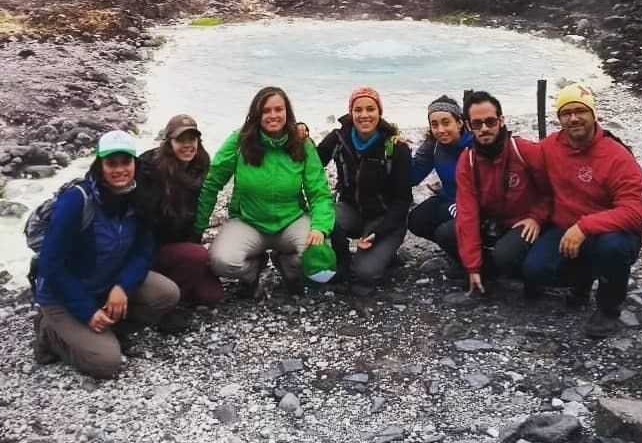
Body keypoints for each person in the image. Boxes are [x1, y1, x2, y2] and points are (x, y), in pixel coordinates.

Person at [34, 130, 181, 378]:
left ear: (134, 163)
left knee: (167, 294)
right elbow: (50, 266)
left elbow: (144, 251)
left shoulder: (138, 197)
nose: (119, 169)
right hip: (63, 296)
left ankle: (107, 329)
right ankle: (49, 330)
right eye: (111, 163)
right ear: (99, 165)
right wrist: (86, 311)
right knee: (106, 363)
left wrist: (122, 287)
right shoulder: (77, 201)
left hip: (107, 282)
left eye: (126, 162)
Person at [519, 84, 642, 339]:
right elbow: (515, 153)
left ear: (593, 114)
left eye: (580, 111)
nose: (573, 118)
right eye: (566, 113)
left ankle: (609, 307)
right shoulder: (549, 147)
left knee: (612, 248)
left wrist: (584, 227)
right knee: (534, 271)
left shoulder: (618, 156)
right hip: (564, 227)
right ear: (559, 119)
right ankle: (582, 281)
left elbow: (634, 212)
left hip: (610, 233)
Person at [193, 86, 335, 297]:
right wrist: (197, 229)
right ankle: (253, 270)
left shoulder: (301, 144)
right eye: (266, 110)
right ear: (256, 114)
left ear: (287, 112)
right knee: (221, 262)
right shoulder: (240, 140)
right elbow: (212, 183)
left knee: (319, 254)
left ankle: (287, 265)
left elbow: (319, 193)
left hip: (291, 221)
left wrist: (320, 228)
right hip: (249, 222)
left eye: (279, 109)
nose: (273, 115)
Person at [454, 90, 550, 297]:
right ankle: (484, 271)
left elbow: (550, 190)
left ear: (501, 121)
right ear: (469, 126)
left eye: (490, 121)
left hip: (525, 221)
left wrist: (537, 218)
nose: (485, 128)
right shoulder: (467, 160)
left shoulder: (523, 151)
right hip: (493, 221)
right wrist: (472, 266)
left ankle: (525, 270)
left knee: (505, 255)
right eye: (477, 124)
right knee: (448, 232)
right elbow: (467, 212)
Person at [316, 86, 412, 290]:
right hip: (351, 211)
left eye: (370, 109)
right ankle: (342, 259)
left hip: (385, 218)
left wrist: (378, 232)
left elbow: (403, 201)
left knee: (365, 274)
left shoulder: (396, 147)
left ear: (380, 112)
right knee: (321, 216)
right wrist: (300, 133)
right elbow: (310, 164)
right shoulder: (338, 139)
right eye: (358, 110)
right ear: (351, 113)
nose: (364, 115)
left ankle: (385, 252)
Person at [135, 114, 224, 307]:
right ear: (168, 142)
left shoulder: (201, 166)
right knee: (197, 255)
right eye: (180, 140)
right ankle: (167, 304)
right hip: (152, 248)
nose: (187, 145)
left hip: (181, 243)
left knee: (212, 295)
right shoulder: (150, 169)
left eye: (191, 139)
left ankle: (177, 279)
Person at [407, 95, 473, 267]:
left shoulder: (475, 144)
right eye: (434, 124)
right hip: (449, 199)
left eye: (446, 122)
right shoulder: (434, 145)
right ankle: (457, 253)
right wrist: (400, 151)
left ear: (459, 123)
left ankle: (479, 264)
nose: (440, 129)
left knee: (446, 232)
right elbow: (413, 177)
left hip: (475, 205)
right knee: (416, 219)